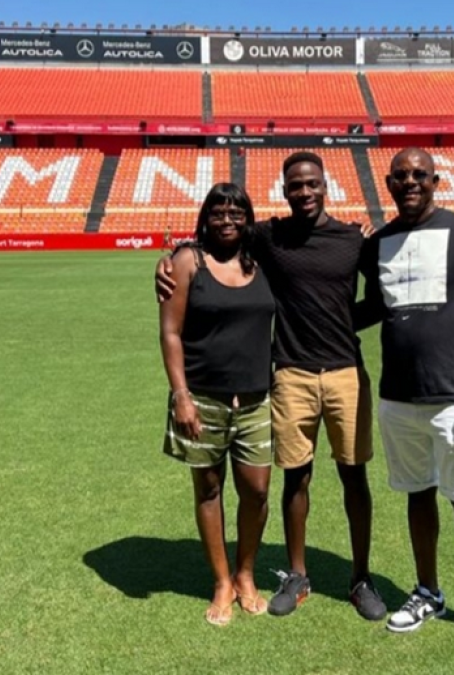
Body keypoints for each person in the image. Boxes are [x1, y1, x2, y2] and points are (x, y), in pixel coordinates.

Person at [156, 152, 387, 621]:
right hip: (289, 374)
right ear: (284, 190)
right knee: (294, 477)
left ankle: (360, 578)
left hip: (344, 371)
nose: (304, 192)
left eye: (312, 184)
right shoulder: (269, 236)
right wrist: (172, 255)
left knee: (353, 476)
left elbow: (380, 298)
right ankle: (296, 575)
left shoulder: (352, 239)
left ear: (326, 186)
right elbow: (218, 231)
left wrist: (341, 323)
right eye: (295, 185)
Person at [355, 148, 454, 654]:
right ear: (388, 182)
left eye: (419, 174)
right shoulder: (378, 242)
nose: (410, 182)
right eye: (400, 176)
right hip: (398, 395)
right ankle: (428, 591)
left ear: (436, 180)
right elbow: (371, 309)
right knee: (417, 493)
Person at [159, 183, 276, 627]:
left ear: (248, 218)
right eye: (219, 212)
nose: (228, 220)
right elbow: (171, 333)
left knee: (258, 492)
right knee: (208, 490)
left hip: (255, 400)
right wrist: (181, 397)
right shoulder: (188, 261)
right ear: (205, 217)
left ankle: (246, 573)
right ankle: (222, 581)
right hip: (202, 400)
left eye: (236, 212)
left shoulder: (261, 260)